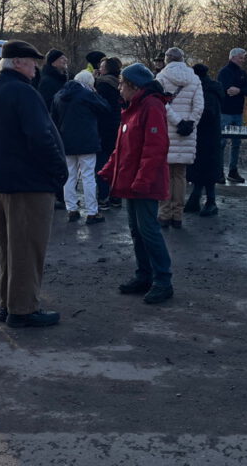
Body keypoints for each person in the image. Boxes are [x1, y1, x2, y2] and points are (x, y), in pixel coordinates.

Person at [0, 40, 67, 328]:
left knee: (10, 248)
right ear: (17, 62)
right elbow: (41, 137)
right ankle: (23, 309)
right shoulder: (22, 92)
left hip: (4, 181)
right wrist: (58, 172)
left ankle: (9, 304)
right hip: (29, 183)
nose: (35, 68)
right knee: (28, 249)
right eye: (32, 63)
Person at [99, 63, 174, 304]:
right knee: (137, 230)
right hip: (133, 181)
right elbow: (123, 146)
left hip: (144, 182)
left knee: (148, 230)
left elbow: (155, 148)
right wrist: (109, 169)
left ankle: (163, 280)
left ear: (134, 86)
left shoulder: (151, 106)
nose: (119, 88)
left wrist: (142, 180)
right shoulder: (133, 107)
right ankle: (144, 275)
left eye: (122, 84)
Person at [154, 47, 203, 229]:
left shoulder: (161, 78)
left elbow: (161, 104)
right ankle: (178, 215)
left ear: (167, 60)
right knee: (180, 175)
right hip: (187, 133)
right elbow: (199, 106)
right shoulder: (194, 78)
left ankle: (164, 213)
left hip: (167, 129)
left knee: (165, 173)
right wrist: (189, 123)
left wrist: (177, 122)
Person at [52, 70, 109, 225]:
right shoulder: (87, 95)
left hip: (66, 142)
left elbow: (53, 119)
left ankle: (71, 209)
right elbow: (105, 107)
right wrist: (94, 93)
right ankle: (92, 212)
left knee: (69, 176)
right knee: (88, 177)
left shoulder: (59, 95)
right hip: (87, 142)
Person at [186, 64, 223, 217]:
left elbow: (206, 113)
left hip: (204, 135)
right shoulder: (212, 88)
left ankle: (209, 201)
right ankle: (197, 197)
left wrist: (190, 120)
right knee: (205, 167)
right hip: (211, 135)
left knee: (204, 168)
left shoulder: (203, 90)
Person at [217, 47, 247, 184]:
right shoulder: (224, 72)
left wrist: (238, 90)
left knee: (236, 143)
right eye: (240, 58)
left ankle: (233, 170)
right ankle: (219, 171)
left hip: (238, 113)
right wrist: (238, 90)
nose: (242, 60)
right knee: (221, 143)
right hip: (225, 112)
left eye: (243, 58)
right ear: (232, 57)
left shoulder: (243, 73)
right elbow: (224, 89)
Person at [94, 57, 123, 208]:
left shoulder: (101, 84)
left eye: (102, 66)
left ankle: (103, 196)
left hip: (103, 127)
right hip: (118, 125)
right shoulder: (120, 84)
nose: (99, 68)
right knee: (116, 162)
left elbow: (98, 106)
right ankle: (116, 195)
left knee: (102, 163)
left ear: (107, 69)